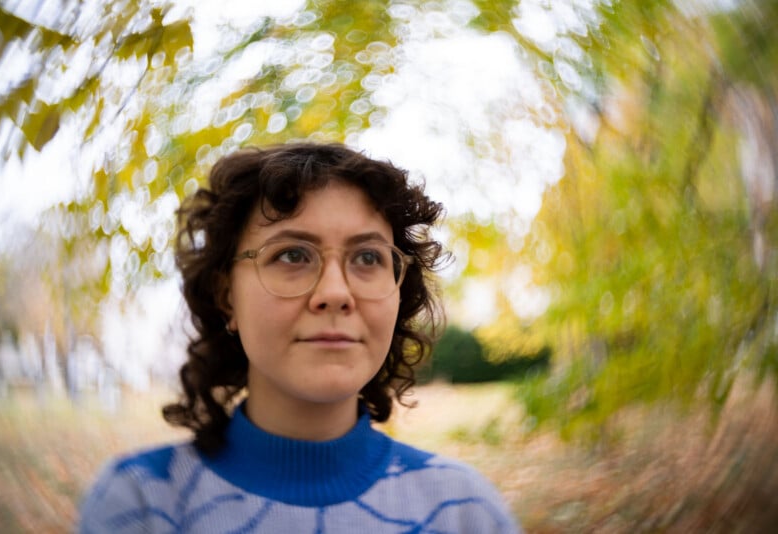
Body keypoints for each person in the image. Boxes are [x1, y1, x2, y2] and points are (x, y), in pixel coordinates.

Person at [79, 143, 521, 533]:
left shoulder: (465, 513)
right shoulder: (141, 506)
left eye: (368, 257)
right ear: (226, 296)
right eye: (292, 255)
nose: (334, 293)